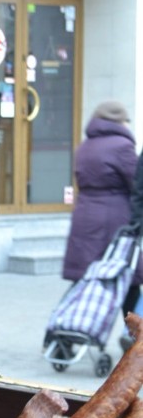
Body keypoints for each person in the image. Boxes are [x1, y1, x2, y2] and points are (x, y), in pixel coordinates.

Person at [61, 100, 141, 334]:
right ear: (121, 122)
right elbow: (136, 183)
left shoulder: (85, 146)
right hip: (114, 219)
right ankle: (138, 334)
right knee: (126, 279)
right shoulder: (122, 146)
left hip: (85, 214)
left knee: (83, 280)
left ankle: (64, 330)